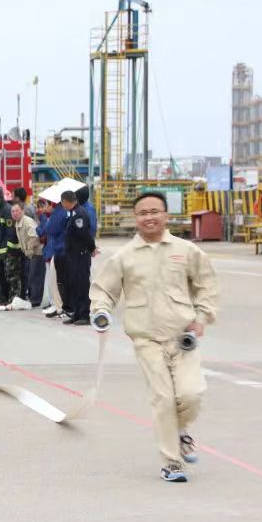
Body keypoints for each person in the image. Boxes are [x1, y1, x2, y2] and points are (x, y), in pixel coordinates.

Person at [90, 191, 218, 483]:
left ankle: (180, 430)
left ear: (166, 215)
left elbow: (206, 286)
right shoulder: (124, 257)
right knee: (163, 398)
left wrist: (201, 318)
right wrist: (100, 312)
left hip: (183, 338)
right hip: (146, 340)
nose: (149, 217)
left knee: (191, 394)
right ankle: (171, 462)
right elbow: (103, 290)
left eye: (155, 211)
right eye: (143, 213)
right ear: (135, 218)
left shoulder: (186, 251)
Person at [60, 189, 95, 325]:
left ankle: (85, 314)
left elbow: (84, 235)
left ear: (65, 201)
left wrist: (92, 248)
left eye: (63, 203)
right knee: (74, 284)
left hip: (80, 255)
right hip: (73, 255)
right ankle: (77, 312)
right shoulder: (73, 213)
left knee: (81, 285)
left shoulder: (79, 214)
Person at [37, 196, 67, 318]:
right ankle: (54, 304)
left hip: (56, 251)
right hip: (53, 251)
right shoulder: (57, 214)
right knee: (51, 282)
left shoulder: (56, 215)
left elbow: (47, 230)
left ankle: (57, 305)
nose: (43, 209)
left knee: (55, 281)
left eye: (46, 205)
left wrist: (43, 219)